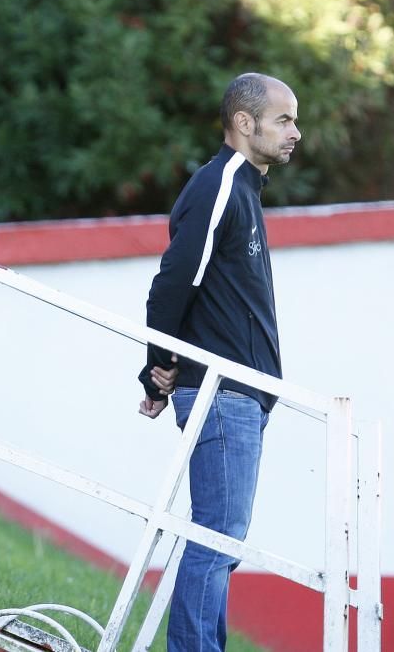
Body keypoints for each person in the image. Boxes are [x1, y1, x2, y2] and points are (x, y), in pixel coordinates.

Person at [137, 73, 300, 651]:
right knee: (216, 539)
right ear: (244, 122)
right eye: (284, 120)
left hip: (239, 398)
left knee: (220, 541)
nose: (295, 133)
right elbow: (172, 284)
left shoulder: (246, 192)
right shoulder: (220, 184)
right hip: (221, 395)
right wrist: (158, 367)